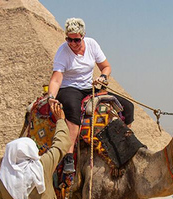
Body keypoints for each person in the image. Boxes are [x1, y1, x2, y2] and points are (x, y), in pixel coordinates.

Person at [47, 17, 134, 174]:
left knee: (128, 107)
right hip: (69, 88)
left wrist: (103, 77)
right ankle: (68, 157)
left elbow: (106, 67)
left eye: (76, 40)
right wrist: (51, 96)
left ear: (83, 36)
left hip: (90, 87)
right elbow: (56, 78)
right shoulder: (63, 51)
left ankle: (125, 145)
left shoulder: (92, 45)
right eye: (69, 39)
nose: (72, 43)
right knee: (73, 113)